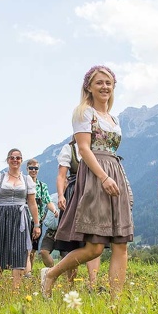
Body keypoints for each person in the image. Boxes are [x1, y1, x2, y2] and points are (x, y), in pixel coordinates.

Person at [42, 66, 133, 299]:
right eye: (99, 82)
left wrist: (121, 182)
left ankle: (116, 303)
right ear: (89, 87)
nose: (105, 87)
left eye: (109, 83)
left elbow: (113, 152)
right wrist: (103, 177)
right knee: (95, 247)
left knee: (121, 243)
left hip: (116, 171)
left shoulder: (114, 119)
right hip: (95, 175)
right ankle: (51, 274)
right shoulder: (84, 112)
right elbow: (83, 148)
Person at [0, 149, 41, 289]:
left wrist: (37, 224)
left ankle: (16, 288)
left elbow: (32, 203)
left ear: (21, 160)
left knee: (19, 249)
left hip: (20, 216)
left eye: (18, 158)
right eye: (12, 158)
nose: (15, 160)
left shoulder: (26, 180)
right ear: (8, 160)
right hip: (2, 214)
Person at [50, 138, 101, 289]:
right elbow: (61, 176)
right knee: (71, 241)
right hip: (74, 193)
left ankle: (93, 283)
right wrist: (60, 195)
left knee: (94, 239)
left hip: (93, 193)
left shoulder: (97, 147)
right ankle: (70, 284)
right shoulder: (69, 149)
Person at [25, 158, 58, 275]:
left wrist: (54, 210)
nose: (33, 170)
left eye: (36, 168)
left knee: (33, 250)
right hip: (24, 220)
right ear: (27, 169)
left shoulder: (42, 186)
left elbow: (48, 201)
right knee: (26, 249)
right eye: (31, 168)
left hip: (37, 221)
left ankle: (29, 272)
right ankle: (26, 274)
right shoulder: (23, 184)